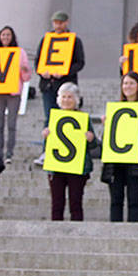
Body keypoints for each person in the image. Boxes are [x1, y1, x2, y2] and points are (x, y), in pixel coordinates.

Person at [101, 72, 138, 222]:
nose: (128, 86)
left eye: (131, 83)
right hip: (115, 161)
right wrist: (106, 127)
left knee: (134, 201)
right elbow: (107, 140)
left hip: (136, 162)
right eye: (125, 83)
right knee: (115, 200)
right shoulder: (115, 108)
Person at [34, 11, 86, 165]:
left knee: (67, 116)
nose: (57, 25)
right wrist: (42, 72)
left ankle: (67, 149)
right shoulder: (45, 40)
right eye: (55, 22)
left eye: (60, 22)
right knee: (49, 117)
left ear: (66, 23)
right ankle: (46, 150)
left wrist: (64, 72)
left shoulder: (75, 40)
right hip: (48, 85)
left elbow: (80, 62)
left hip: (66, 85)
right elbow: (38, 61)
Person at [44, 82, 96, 221]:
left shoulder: (84, 118)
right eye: (64, 97)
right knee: (57, 203)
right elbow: (47, 146)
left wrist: (90, 138)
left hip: (78, 167)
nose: (66, 100)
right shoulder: (52, 118)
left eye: (70, 97)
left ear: (76, 100)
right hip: (56, 166)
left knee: (76, 202)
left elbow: (94, 145)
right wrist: (46, 136)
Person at [0, 25, 31, 164]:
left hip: (13, 93)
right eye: (3, 35)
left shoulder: (20, 53)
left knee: (11, 124)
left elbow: (26, 77)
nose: (5, 37)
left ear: (12, 37)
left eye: (8, 35)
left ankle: (9, 153)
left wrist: (24, 70)